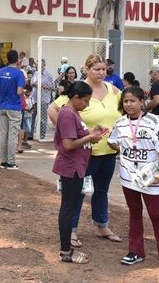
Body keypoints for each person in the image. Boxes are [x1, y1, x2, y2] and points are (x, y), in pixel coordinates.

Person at [47, 54, 123, 247]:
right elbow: (53, 110)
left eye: (104, 69)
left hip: (108, 149)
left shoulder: (113, 90)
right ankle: (71, 229)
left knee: (102, 190)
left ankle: (101, 224)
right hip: (85, 152)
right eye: (97, 69)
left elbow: (124, 110)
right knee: (78, 192)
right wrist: (68, 133)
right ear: (87, 69)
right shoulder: (79, 90)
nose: (101, 72)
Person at [108, 86, 159, 273]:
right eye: (125, 101)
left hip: (149, 177)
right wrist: (123, 149)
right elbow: (112, 140)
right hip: (128, 176)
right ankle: (135, 252)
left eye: (132, 100)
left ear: (142, 102)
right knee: (134, 212)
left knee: (156, 215)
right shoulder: (121, 122)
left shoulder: (152, 121)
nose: (129, 104)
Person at [53, 81, 107, 264]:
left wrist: (91, 133)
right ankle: (66, 251)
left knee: (70, 206)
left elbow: (77, 136)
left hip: (77, 166)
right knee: (68, 207)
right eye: (85, 100)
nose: (87, 104)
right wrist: (90, 137)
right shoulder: (68, 114)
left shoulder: (74, 112)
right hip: (71, 167)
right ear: (75, 98)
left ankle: (67, 247)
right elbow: (68, 144)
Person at [0, 50, 26, 170]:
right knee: (12, 135)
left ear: (7, 59)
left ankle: (3, 161)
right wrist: (24, 91)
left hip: (2, 106)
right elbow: (19, 91)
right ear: (17, 59)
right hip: (14, 106)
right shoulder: (19, 73)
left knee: (3, 134)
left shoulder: (0, 71)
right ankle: (11, 162)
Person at [35, 60, 56, 139]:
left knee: (43, 118)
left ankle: (42, 134)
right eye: (37, 65)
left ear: (44, 65)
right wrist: (34, 84)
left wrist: (43, 86)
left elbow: (52, 87)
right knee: (34, 116)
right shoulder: (36, 73)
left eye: (40, 65)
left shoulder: (48, 75)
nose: (38, 66)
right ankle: (33, 134)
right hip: (35, 98)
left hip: (44, 98)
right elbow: (31, 83)